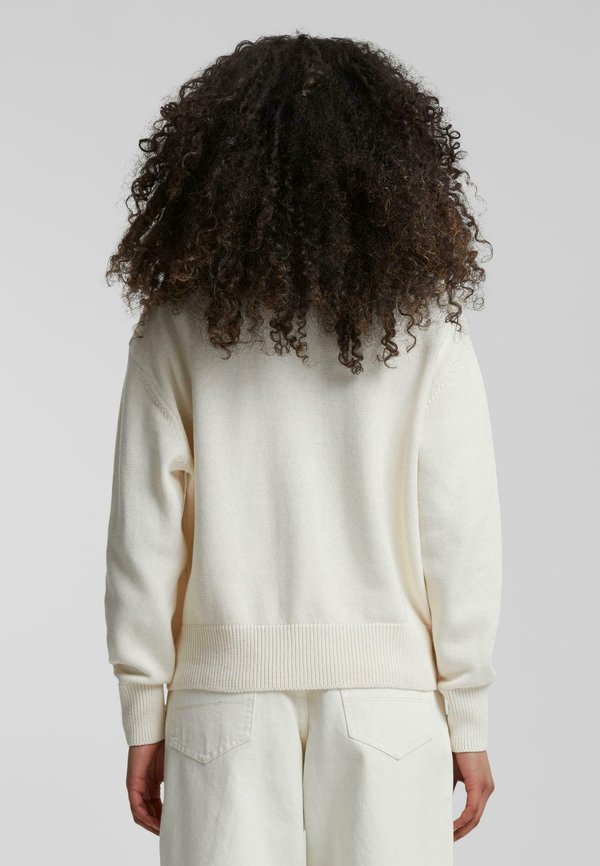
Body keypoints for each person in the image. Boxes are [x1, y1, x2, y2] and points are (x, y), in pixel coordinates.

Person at [104, 32, 502, 866]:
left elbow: (144, 537)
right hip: (391, 712)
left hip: (220, 707)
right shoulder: (428, 334)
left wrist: (145, 708)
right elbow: (458, 533)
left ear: (209, 167)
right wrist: (466, 712)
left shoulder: (174, 329)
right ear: (392, 168)